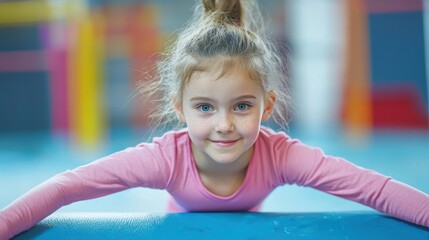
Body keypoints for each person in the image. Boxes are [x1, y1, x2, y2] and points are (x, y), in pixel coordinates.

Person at [1, 0, 429, 238]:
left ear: (268, 104)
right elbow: (67, 186)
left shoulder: (281, 155)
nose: (224, 123)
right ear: (178, 108)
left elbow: (376, 189)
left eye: (242, 106)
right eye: (205, 107)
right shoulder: (165, 159)